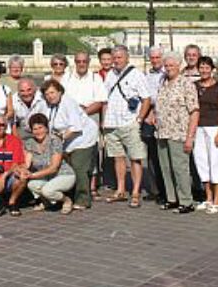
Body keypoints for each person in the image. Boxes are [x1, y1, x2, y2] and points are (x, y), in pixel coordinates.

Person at [102, 45, 151, 208]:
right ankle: (121, 189)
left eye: (120, 57)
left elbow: (146, 99)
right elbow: (105, 99)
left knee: (135, 158)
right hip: (112, 122)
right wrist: (104, 120)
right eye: (114, 58)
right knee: (118, 158)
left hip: (129, 122)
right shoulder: (110, 74)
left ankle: (136, 191)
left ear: (127, 58)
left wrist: (139, 119)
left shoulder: (137, 75)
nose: (116, 61)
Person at [40, 79, 98, 209]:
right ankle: (68, 195)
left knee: (79, 167)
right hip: (68, 140)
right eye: (47, 94)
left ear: (60, 92)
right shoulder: (49, 105)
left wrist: (59, 138)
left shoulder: (68, 102)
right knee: (67, 167)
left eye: (52, 92)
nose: (50, 96)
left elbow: (75, 128)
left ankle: (83, 200)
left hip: (83, 138)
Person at [155, 51, 199, 214]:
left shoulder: (186, 84)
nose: (168, 68)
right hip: (162, 132)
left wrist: (190, 137)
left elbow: (194, 111)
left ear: (179, 66)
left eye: (171, 65)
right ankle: (172, 198)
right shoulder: (163, 82)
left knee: (180, 168)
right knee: (166, 168)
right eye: (166, 66)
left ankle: (186, 200)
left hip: (179, 132)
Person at [63, 51, 108, 198]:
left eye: (84, 61)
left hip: (90, 118)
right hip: (70, 121)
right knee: (71, 152)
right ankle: (73, 186)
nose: (81, 64)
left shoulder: (96, 78)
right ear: (75, 62)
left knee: (91, 154)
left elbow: (100, 101)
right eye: (78, 61)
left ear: (88, 62)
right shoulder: (67, 77)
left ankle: (92, 186)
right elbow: (61, 98)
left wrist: (83, 112)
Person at [193, 56, 218, 213]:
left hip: (215, 127)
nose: (204, 70)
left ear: (212, 69)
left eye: (207, 67)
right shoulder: (194, 86)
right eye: (201, 67)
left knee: (217, 162)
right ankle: (207, 198)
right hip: (199, 128)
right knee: (202, 162)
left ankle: (217, 200)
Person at [19, 113, 75, 214]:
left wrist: (33, 175)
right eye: (35, 129)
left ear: (46, 128)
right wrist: (22, 171)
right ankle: (47, 202)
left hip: (64, 174)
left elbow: (54, 168)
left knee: (47, 190)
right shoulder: (30, 142)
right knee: (32, 185)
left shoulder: (55, 141)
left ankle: (66, 200)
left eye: (40, 127)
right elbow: (27, 163)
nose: (38, 131)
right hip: (48, 177)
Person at [141, 46, 166, 203]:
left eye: (158, 57)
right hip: (150, 116)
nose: (155, 60)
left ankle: (166, 190)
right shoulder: (147, 75)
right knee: (151, 155)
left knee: (164, 154)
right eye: (153, 58)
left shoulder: (167, 72)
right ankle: (154, 189)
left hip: (164, 116)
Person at [11, 78, 45, 143]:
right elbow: (13, 124)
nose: (26, 93)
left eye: (29, 90)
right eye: (22, 91)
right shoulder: (13, 100)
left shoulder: (43, 97)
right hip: (23, 131)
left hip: (41, 130)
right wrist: (18, 142)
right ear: (18, 91)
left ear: (35, 89)